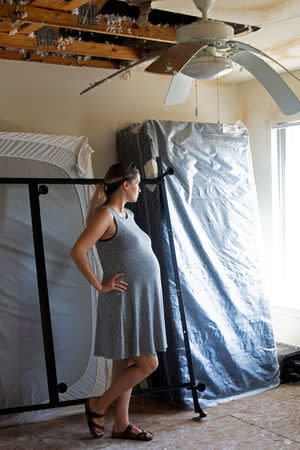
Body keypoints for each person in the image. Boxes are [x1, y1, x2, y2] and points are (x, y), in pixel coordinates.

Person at [70, 162, 167, 441]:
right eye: (136, 184)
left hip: (140, 298)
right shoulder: (106, 214)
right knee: (148, 363)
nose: (139, 189)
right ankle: (97, 405)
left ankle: (121, 423)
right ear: (125, 184)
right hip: (124, 300)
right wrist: (101, 284)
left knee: (128, 362)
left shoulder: (128, 216)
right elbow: (78, 251)